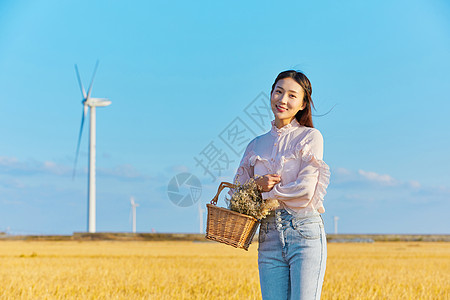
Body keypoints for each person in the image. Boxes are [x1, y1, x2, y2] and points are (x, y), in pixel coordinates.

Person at [228, 70, 330, 299]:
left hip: (304, 233)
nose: (283, 100)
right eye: (279, 92)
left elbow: (305, 192)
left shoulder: (311, 137)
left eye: (292, 95)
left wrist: (263, 192)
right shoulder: (255, 144)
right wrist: (256, 185)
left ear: (303, 104)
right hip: (268, 236)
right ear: (271, 94)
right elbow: (237, 195)